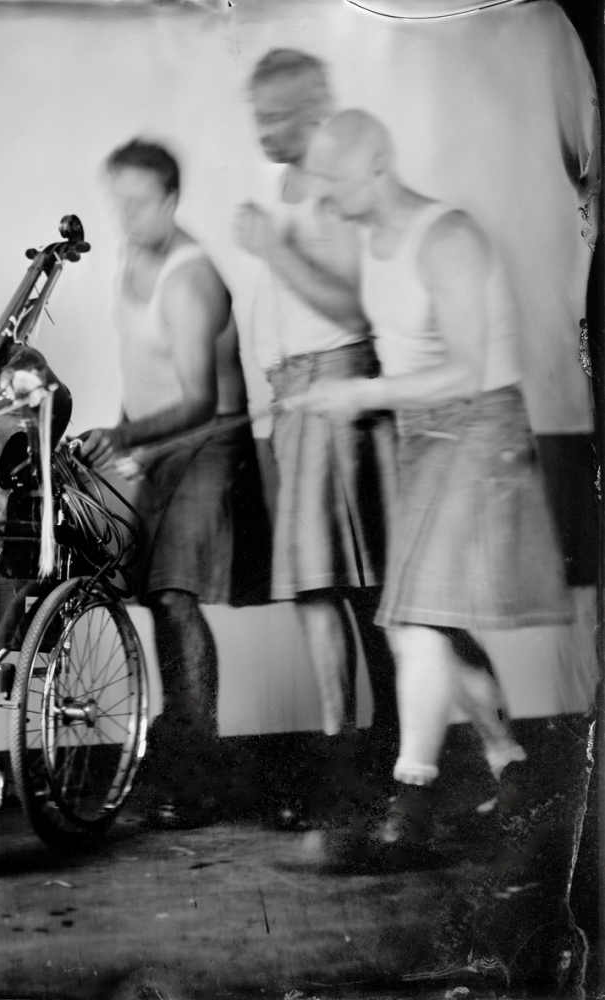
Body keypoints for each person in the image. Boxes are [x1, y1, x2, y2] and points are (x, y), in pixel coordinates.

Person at [291, 109, 572, 859]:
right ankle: (513, 771)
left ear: (377, 164)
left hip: (480, 433)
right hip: (424, 437)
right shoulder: (374, 240)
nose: (322, 195)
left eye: (332, 179)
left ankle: (409, 807)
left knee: (412, 621)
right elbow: (372, 328)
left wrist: (360, 394)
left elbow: (467, 369)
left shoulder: (447, 236)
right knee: (432, 621)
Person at [82, 139, 270, 828]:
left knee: (173, 594)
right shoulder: (131, 256)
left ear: (171, 199)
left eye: (139, 204)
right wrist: (131, 443)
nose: (126, 217)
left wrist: (126, 435)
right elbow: (141, 370)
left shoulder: (190, 278)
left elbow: (197, 400)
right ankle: (183, 750)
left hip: (209, 441)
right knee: (157, 601)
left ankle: (195, 771)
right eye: (118, 203)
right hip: (159, 447)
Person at [232, 49, 399, 806]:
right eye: (257, 117)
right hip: (297, 395)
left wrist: (273, 247)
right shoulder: (290, 182)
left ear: (316, 107)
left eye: (276, 117)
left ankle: (377, 757)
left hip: (336, 384)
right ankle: (353, 756)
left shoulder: (335, 183)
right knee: (322, 585)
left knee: (352, 588)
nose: (263, 132)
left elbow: (354, 308)